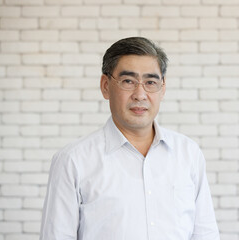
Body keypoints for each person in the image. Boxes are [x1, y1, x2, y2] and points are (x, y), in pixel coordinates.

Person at [40, 37, 220, 240]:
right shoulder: (73, 161)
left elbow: (205, 233)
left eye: (150, 82)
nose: (140, 94)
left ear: (163, 88)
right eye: (128, 81)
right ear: (105, 85)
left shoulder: (188, 153)